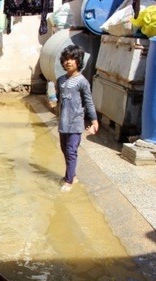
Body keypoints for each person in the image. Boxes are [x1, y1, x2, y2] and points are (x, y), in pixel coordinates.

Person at [50, 44, 99, 192]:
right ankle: (72, 176)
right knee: (64, 149)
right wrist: (52, 100)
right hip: (63, 122)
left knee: (71, 151)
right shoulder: (61, 80)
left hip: (75, 122)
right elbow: (58, 99)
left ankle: (69, 181)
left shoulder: (82, 82)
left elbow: (89, 102)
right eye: (65, 59)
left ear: (78, 61)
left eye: (72, 59)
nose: (68, 62)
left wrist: (94, 122)